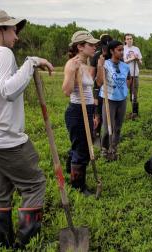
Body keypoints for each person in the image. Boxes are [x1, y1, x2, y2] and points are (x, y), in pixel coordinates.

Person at [0, 10, 53, 249]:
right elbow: (9, 91)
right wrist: (31, 62)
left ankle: (3, 243)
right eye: (14, 30)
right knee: (34, 184)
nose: (17, 36)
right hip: (6, 138)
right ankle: (26, 243)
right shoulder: (2, 53)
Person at [62, 31, 99, 196]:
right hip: (77, 111)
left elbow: (91, 90)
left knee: (80, 145)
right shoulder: (72, 64)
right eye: (90, 44)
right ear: (80, 47)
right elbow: (66, 91)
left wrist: (93, 114)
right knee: (82, 148)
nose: (94, 47)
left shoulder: (86, 64)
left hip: (87, 109)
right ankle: (78, 186)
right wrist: (71, 71)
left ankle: (71, 167)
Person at [96, 40, 131, 161]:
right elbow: (99, 82)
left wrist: (124, 89)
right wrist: (100, 66)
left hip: (121, 100)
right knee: (107, 127)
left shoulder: (125, 66)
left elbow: (128, 79)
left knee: (118, 127)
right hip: (109, 99)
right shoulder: (105, 64)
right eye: (119, 50)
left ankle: (114, 148)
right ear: (112, 51)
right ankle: (104, 149)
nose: (122, 52)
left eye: (123, 50)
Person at [91, 34, 113, 143]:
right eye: (104, 47)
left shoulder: (114, 56)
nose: (106, 50)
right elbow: (92, 76)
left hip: (111, 90)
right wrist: (94, 95)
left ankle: (107, 139)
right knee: (97, 114)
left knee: (108, 115)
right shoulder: (96, 56)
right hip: (98, 89)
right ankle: (96, 135)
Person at [123, 34, 142, 118]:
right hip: (125, 74)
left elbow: (140, 63)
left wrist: (137, 59)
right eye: (128, 39)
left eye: (131, 39)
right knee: (123, 92)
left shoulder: (136, 49)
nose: (130, 40)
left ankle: (134, 113)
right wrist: (131, 59)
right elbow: (122, 61)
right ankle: (121, 112)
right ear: (125, 40)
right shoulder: (122, 49)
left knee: (134, 93)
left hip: (135, 74)